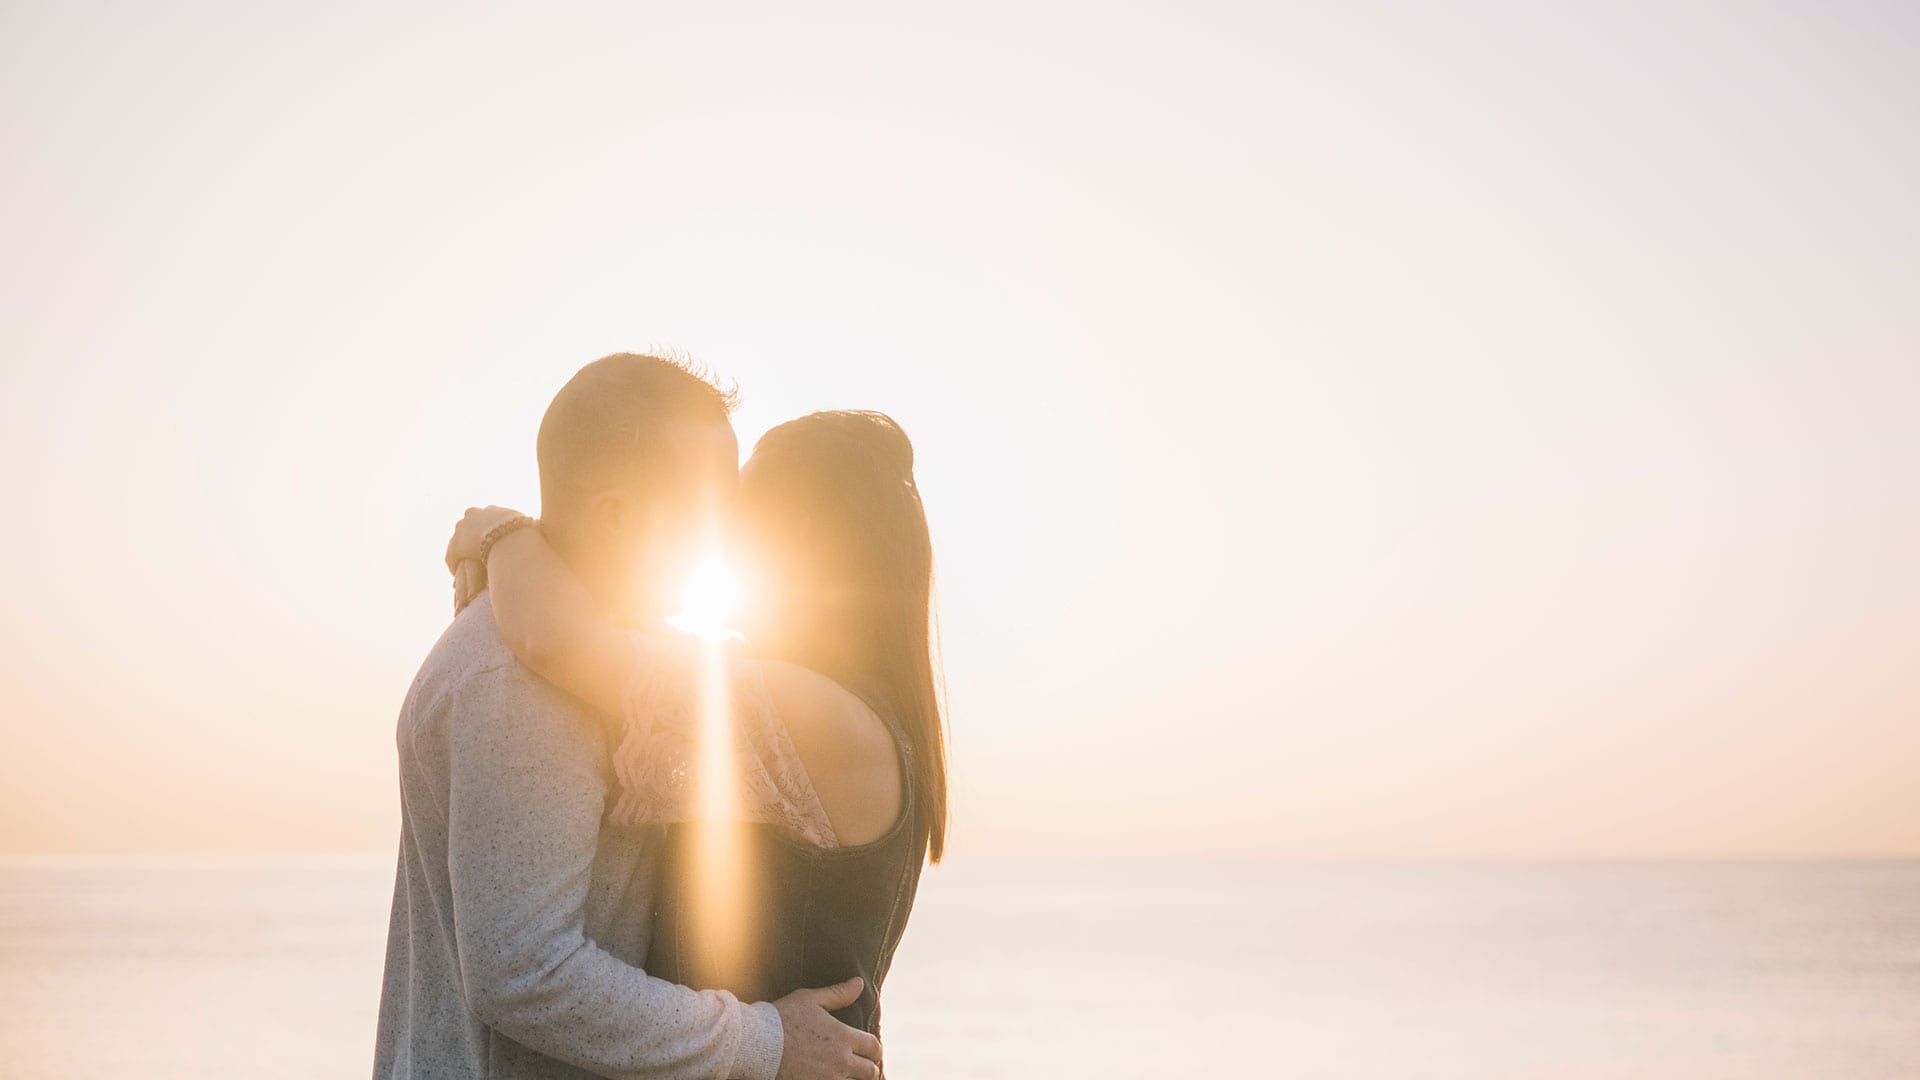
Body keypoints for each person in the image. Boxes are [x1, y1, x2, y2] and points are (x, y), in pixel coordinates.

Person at [374, 355, 883, 1080]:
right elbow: (525, 970)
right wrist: (766, 1041)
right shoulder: (522, 685)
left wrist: (504, 534)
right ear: (615, 515)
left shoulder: (589, 649)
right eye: (709, 505)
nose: (730, 530)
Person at [444, 408, 948, 1050]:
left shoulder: (814, 713)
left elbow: (556, 639)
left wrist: (504, 534)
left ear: (795, 530)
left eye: (733, 507)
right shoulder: (835, 704)